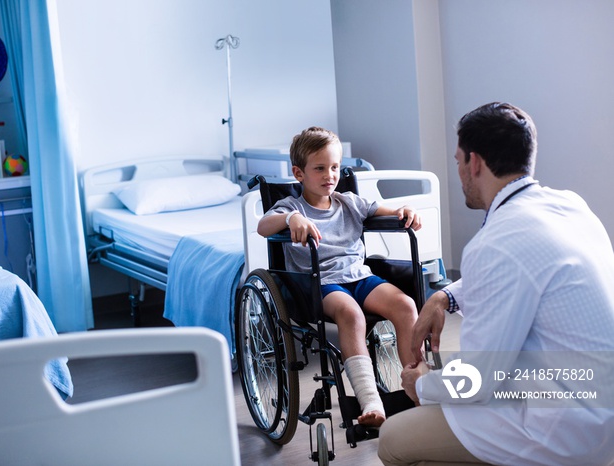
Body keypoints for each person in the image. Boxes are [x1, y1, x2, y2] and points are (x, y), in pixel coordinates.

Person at [377, 102, 614, 465]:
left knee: (393, 438)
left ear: (474, 162)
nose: (458, 172)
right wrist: (445, 298)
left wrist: (420, 383)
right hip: (600, 407)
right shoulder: (571, 207)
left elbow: (475, 379)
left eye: (457, 161)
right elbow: (525, 274)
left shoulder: (495, 242)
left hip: (562, 429)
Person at [258, 126, 422, 428]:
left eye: (334, 167)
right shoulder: (293, 207)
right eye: (319, 168)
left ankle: (419, 386)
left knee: (406, 305)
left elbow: (385, 210)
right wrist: (292, 219)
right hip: (320, 284)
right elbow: (263, 227)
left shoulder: (349, 202)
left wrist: (404, 210)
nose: (329, 175)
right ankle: (370, 400)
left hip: (359, 278)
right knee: (352, 314)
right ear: (299, 173)